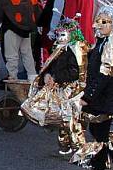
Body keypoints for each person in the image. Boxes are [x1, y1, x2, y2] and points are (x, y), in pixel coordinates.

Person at [72, 5, 113, 170]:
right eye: (98, 21)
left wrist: (87, 96)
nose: (99, 25)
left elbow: (105, 74)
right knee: (100, 131)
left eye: (105, 21)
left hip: (108, 97)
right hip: (104, 95)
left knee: (100, 131)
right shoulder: (105, 40)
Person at [20, 17, 88, 155]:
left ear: (72, 34)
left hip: (71, 91)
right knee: (61, 118)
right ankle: (64, 145)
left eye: (63, 35)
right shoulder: (60, 48)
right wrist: (48, 76)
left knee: (71, 120)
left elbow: (76, 72)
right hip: (59, 89)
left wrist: (56, 78)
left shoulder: (76, 50)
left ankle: (78, 149)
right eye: (58, 34)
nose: (60, 38)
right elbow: (51, 66)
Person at [0, 0, 39, 85]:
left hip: (11, 26)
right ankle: (32, 76)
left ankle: (12, 77)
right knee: (27, 53)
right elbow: (35, 6)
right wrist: (36, 23)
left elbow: (1, 7)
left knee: (11, 54)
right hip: (27, 26)